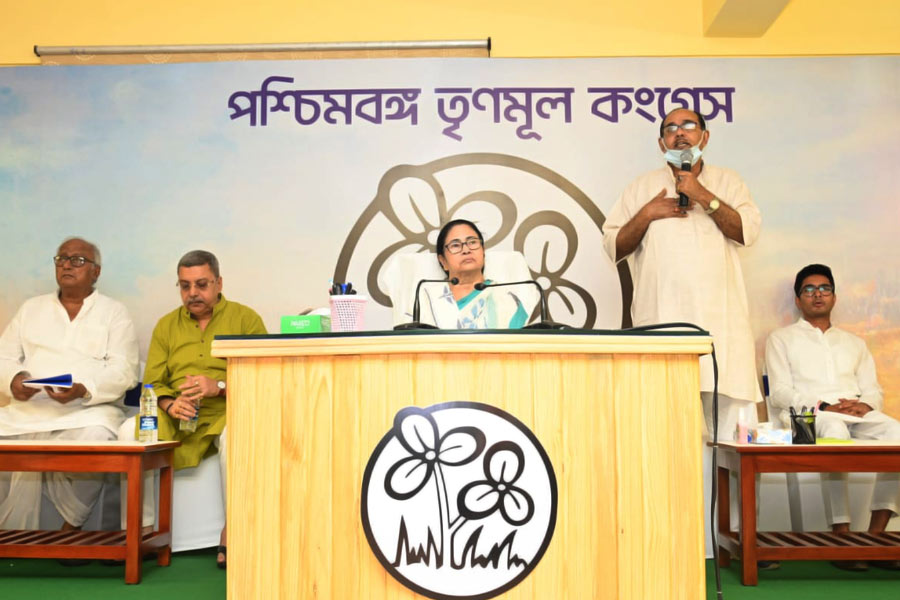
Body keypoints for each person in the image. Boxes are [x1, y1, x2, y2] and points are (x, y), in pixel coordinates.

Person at [602, 108, 763, 436]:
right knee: (667, 438)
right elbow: (614, 246)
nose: (680, 133)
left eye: (688, 125)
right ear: (662, 144)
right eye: (670, 128)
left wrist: (703, 195)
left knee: (732, 444)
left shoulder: (729, 182)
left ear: (705, 136)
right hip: (664, 328)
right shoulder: (642, 187)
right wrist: (647, 214)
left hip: (723, 334)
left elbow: (746, 232)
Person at [120, 249, 266, 569]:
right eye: (185, 286)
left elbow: (263, 380)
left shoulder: (246, 319)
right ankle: (140, 531)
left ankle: (234, 532)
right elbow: (153, 383)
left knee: (238, 435)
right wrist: (171, 404)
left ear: (218, 283)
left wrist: (219, 387)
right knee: (129, 430)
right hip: (178, 413)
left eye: (201, 284)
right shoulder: (166, 326)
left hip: (227, 411)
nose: (193, 293)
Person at [765, 264, 900, 571]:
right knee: (834, 429)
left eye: (824, 288)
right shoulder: (781, 338)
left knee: (897, 433)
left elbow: (874, 390)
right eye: (808, 289)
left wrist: (864, 405)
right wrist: (824, 407)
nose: (817, 295)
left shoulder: (854, 343)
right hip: (801, 420)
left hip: (854, 416)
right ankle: (841, 536)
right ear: (798, 299)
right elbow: (780, 394)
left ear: (834, 297)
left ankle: (876, 537)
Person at [0, 237, 139, 533]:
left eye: (77, 260)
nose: (67, 264)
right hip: (28, 410)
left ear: (96, 272)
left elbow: (124, 370)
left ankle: (70, 526)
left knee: (99, 437)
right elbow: (4, 356)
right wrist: (13, 380)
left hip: (86, 411)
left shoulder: (114, 312)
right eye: (61, 259)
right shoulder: (31, 308)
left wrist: (84, 388)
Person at [419, 219, 537, 329]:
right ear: (443, 261)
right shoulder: (426, 299)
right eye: (455, 245)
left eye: (472, 242)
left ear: (483, 252)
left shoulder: (507, 300)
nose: (466, 250)